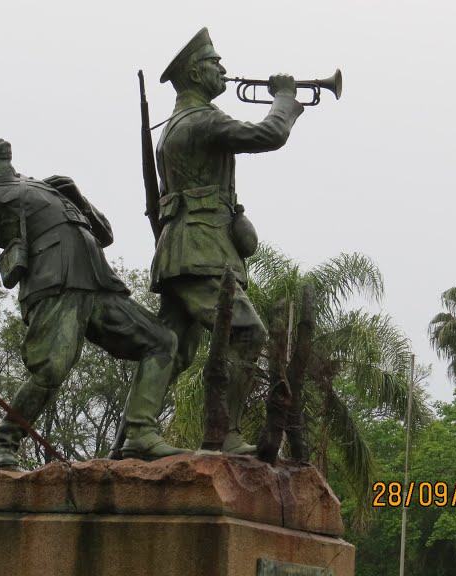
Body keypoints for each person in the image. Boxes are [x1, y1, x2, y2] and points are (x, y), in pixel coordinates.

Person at [0, 130, 189, 469]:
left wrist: (80, 199)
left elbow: (104, 236)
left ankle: (139, 435)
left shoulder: (43, 185)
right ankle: (4, 442)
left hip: (98, 283)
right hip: (54, 285)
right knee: (52, 369)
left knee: (162, 342)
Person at [150, 28, 304, 454]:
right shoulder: (203, 119)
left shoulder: (179, 124)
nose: (224, 70)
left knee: (171, 347)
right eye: (216, 63)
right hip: (200, 249)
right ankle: (226, 434)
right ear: (197, 73)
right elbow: (269, 135)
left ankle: (137, 431)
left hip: (185, 248)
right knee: (247, 334)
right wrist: (286, 100)